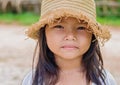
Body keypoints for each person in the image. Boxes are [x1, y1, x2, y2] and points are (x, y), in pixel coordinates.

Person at [22, 0, 117, 85]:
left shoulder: (105, 81)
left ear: (92, 34)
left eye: (81, 27)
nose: (70, 36)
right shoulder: (32, 81)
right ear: (44, 32)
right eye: (59, 26)